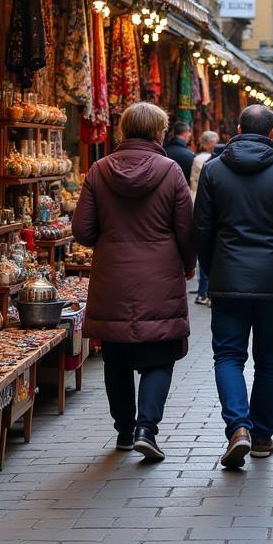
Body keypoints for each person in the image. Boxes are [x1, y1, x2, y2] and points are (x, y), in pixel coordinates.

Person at [194, 104, 273, 468]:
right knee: (269, 360)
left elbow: (201, 228)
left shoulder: (214, 171)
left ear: (236, 128)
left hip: (229, 278)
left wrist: (213, 267)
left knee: (228, 355)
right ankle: (262, 435)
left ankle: (238, 428)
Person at [73, 102, 196, 462]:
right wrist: (188, 264)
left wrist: (109, 239)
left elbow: (82, 229)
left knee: (117, 356)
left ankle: (125, 431)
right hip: (160, 277)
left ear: (124, 130)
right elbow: (186, 229)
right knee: (160, 356)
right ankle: (147, 429)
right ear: (159, 132)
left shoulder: (99, 170)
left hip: (112, 276)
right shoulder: (171, 171)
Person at [190, 131, 219, 307]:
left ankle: (203, 292)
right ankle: (205, 292)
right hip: (203, 203)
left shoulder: (199, 158)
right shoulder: (209, 161)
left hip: (197, 201)